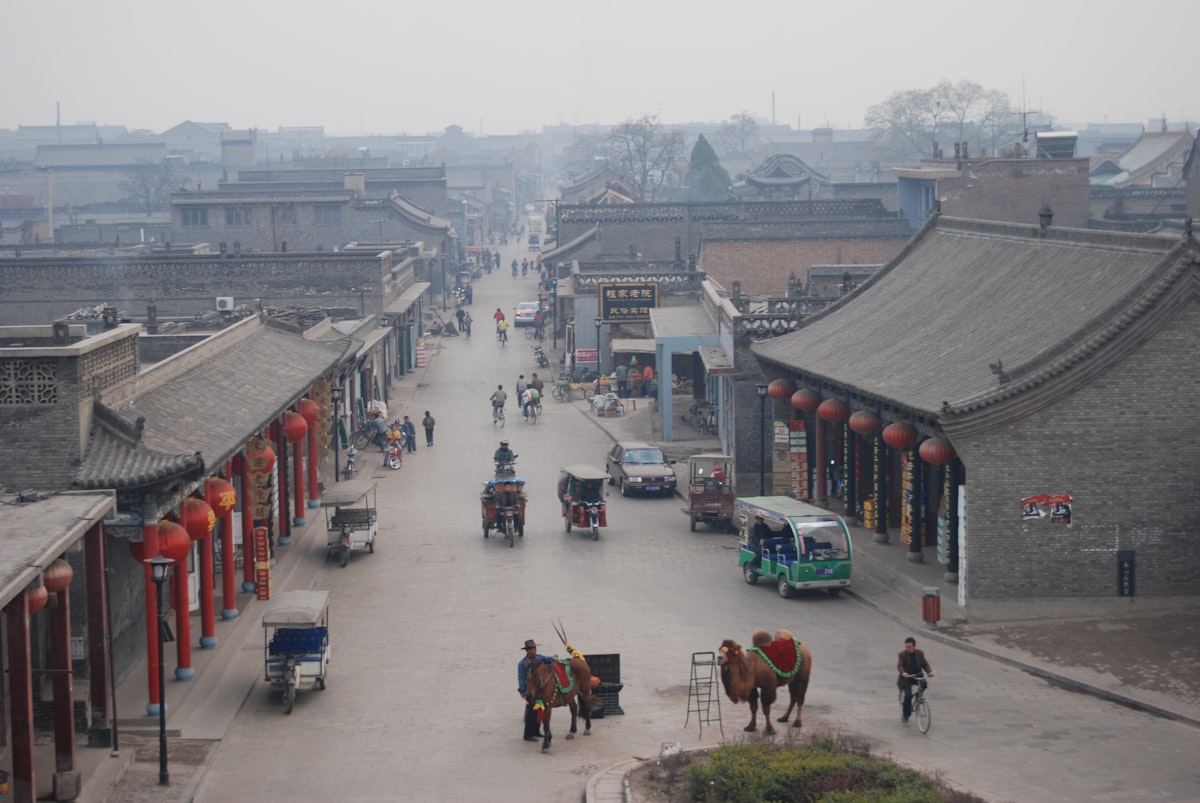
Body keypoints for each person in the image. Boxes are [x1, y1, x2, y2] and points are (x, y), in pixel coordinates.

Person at [518, 639, 553, 741]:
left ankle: (536, 731)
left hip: (539, 690)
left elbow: (548, 659)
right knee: (531, 713)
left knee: (539, 710)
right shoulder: (522, 663)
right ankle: (528, 734)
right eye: (532, 648)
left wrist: (555, 658)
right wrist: (522, 691)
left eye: (535, 648)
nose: (534, 650)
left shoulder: (539, 658)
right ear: (527, 650)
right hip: (530, 690)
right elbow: (521, 678)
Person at [896, 636, 934, 724]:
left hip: (917, 675)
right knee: (908, 695)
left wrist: (930, 672)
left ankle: (918, 697)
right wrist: (903, 673)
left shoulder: (920, 653)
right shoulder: (902, 654)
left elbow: (925, 664)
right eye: (906, 647)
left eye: (909, 647)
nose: (908, 648)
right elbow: (899, 665)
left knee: (924, 684)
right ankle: (906, 714)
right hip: (907, 677)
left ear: (914, 646)